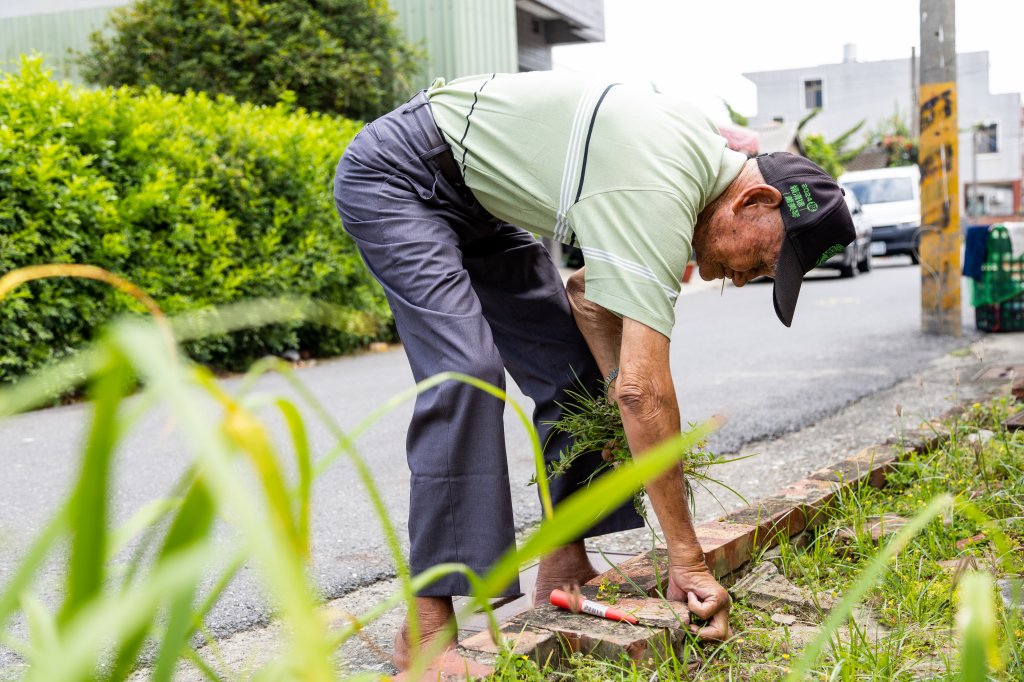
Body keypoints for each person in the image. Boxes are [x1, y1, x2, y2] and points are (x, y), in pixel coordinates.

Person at [333, 70, 855, 671]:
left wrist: (611, 385)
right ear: (754, 201)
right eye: (763, 261)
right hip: (398, 176)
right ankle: (424, 633)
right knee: (467, 372)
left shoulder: (687, 174)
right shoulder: (663, 193)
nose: (746, 279)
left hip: (479, 202)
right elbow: (643, 392)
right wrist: (686, 560)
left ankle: (564, 558)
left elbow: (587, 299)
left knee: (574, 377)